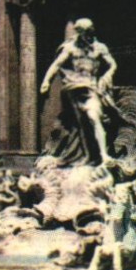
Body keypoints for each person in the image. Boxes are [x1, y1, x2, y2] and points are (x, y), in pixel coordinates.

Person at [39, 18, 119, 165]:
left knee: (94, 117)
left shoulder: (99, 48)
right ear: (79, 32)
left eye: (89, 31)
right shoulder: (70, 48)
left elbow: (112, 64)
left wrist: (107, 75)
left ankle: (103, 155)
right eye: (84, 32)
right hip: (74, 89)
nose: (87, 34)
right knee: (82, 125)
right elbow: (56, 65)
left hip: (91, 88)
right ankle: (89, 156)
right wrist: (46, 81)